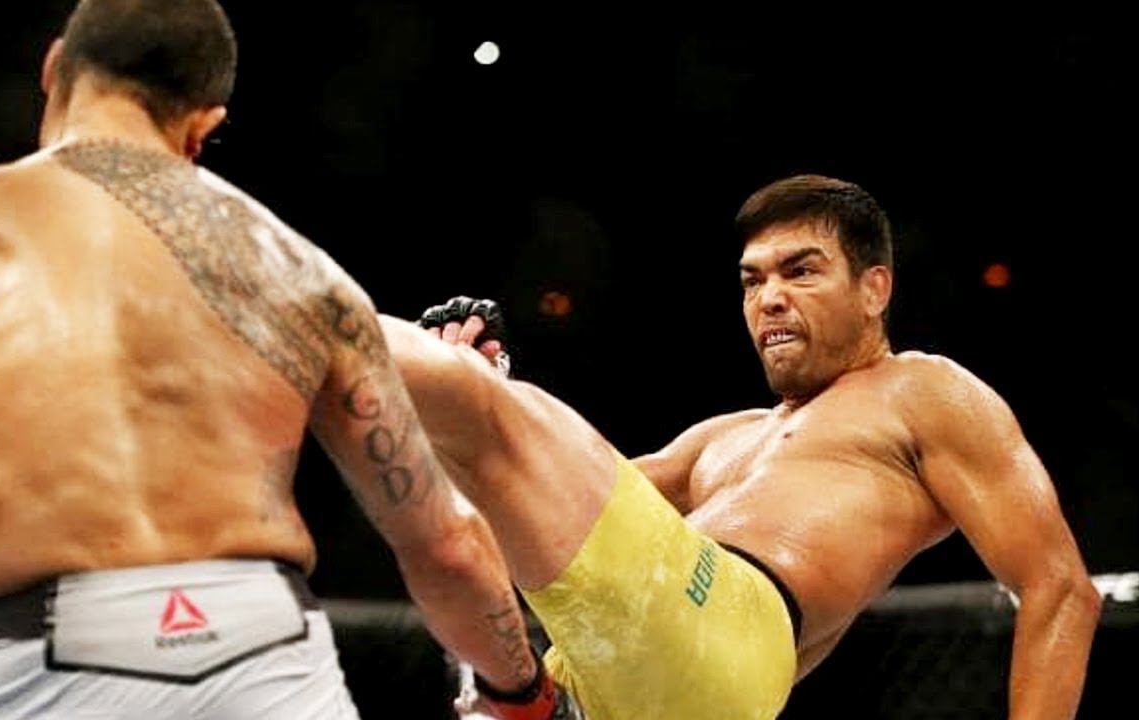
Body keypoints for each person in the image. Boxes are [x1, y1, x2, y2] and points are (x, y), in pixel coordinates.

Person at [0, 1, 574, 717]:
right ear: (204, 125)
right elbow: (445, 545)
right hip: (267, 661)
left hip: (40, 661)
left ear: (54, 68)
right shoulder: (298, 270)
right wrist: (523, 694)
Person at [383, 174, 1102, 720]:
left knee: (497, 413)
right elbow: (534, 522)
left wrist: (481, 399)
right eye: (753, 280)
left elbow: (1060, 589)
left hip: (728, 638)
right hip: (605, 676)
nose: (770, 298)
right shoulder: (722, 437)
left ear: (874, 289)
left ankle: (326, 317)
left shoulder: (920, 389)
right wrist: (469, 422)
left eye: (801, 271)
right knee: (476, 478)